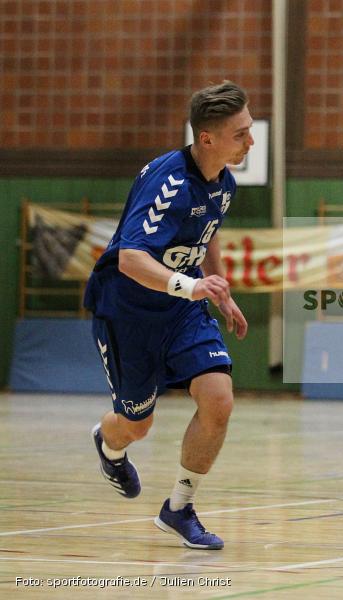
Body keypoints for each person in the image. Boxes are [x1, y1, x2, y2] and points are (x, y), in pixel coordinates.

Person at [84, 81, 251, 550]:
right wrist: (193, 284)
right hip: (129, 312)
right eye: (241, 134)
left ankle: (179, 507)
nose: (250, 142)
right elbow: (130, 259)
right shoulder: (169, 180)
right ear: (207, 139)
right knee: (137, 425)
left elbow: (208, 231)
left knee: (218, 399)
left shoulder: (224, 181)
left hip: (182, 309)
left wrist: (221, 293)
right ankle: (109, 443)